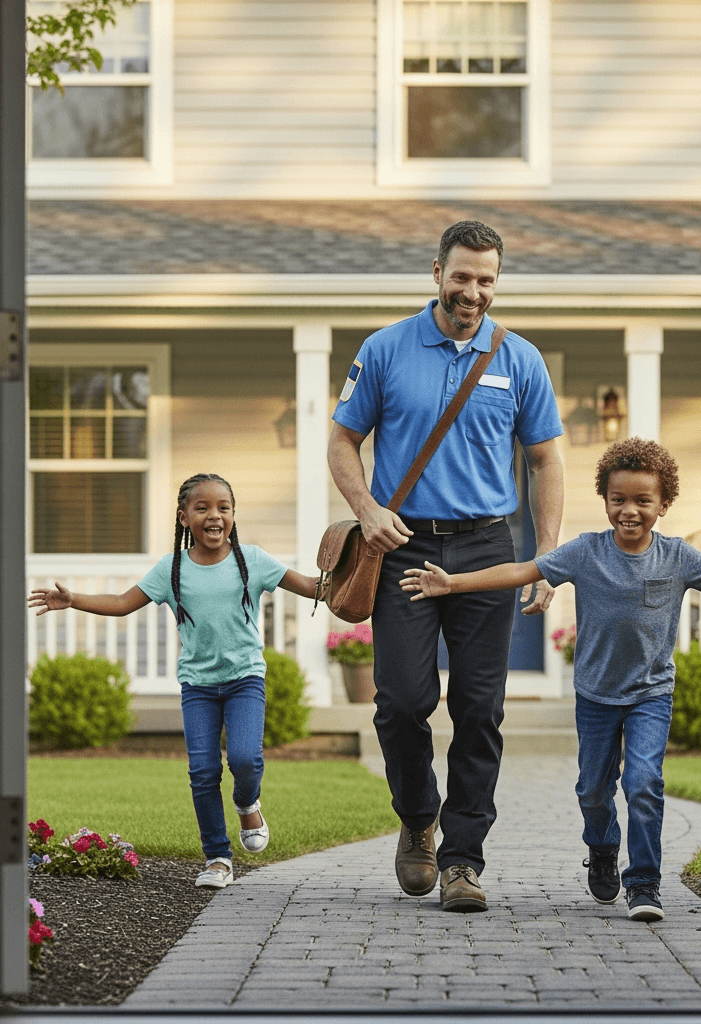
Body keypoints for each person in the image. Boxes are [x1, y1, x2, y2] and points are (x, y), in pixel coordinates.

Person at [400, 438, 701, 921]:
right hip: (595, 695)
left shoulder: (678, 557)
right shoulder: (586, 552)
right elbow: (521, 570)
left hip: (650, 695)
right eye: (618, 500)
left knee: (643, 783)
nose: (629, 511)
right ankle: (601, 848)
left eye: (643, 501)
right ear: (605, 500)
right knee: (593, 791)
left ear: (663, 504)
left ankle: (644, 884)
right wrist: (453, 582)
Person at [328, 220, 564, 912]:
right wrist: (368, 510)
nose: (473, 291)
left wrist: (545, 553)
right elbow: (343, 441)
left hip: (489, 548)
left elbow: (546, 459)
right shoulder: (386, 349)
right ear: (436, 272)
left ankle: (463, 860)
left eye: (486, 279)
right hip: (403, 545)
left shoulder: (519, 359)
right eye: (461, 276)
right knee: (401, 701)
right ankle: (418, 818)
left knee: (480, 709)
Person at [28, 473, 324, 889]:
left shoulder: (252, 560)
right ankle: (218, 858)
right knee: (203, 772)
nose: (214, 515)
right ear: (184, 517)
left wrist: (356, 571)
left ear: (233, 515)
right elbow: (122, 602)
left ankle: (246, 803)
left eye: (223, 507)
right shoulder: (172, 569)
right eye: (202, 508)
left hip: (245, 681)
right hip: (198, 687)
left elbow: (314, 587)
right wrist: (74, 599)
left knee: (245, 760)